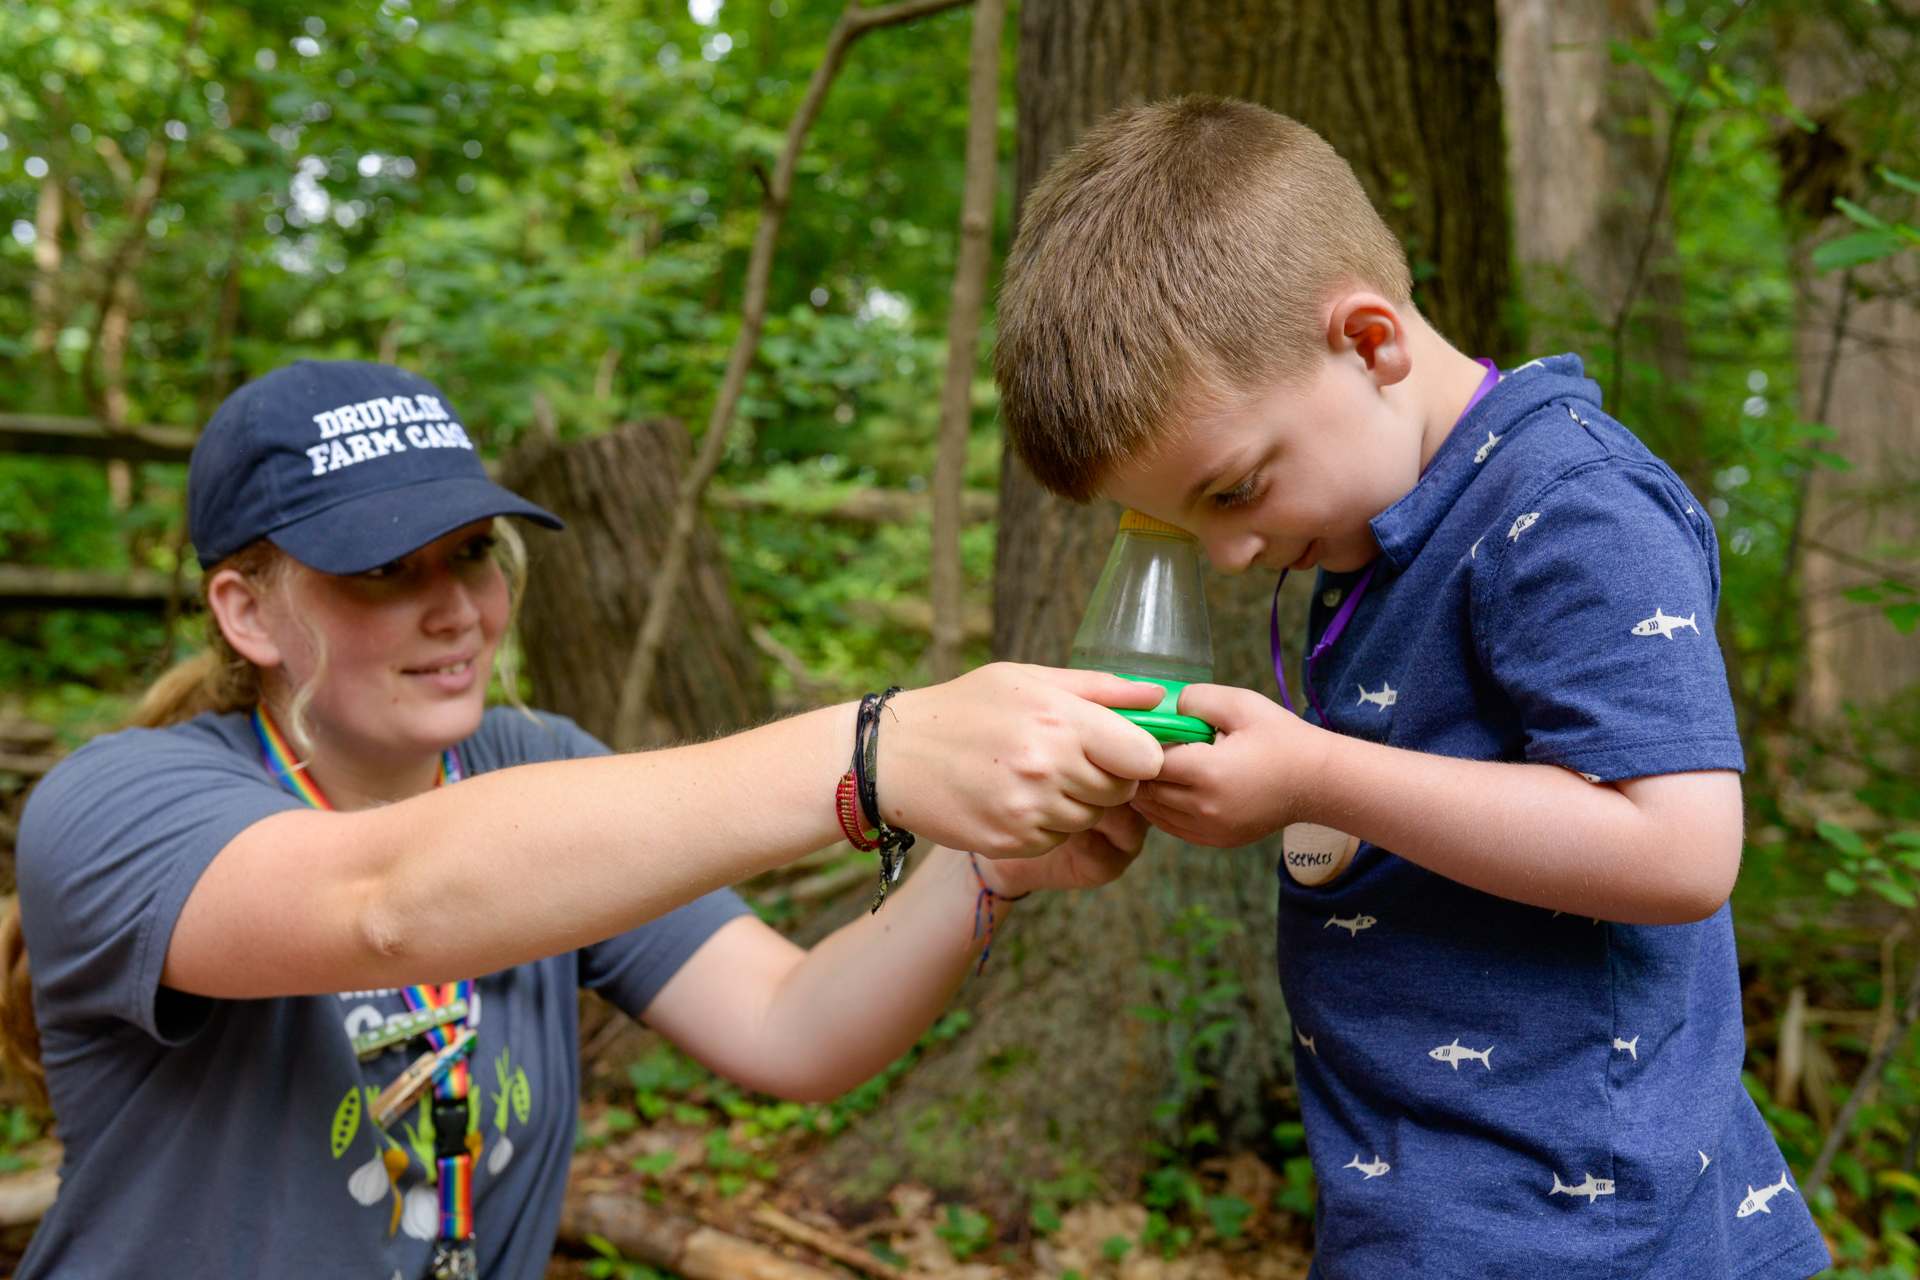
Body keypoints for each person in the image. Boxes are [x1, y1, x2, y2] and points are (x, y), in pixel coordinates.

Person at [1, 359, 1167, 1279]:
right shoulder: (117, 805)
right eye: (382, 571)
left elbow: (792, 1025)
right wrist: (874, 749)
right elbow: (386, 903)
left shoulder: (536, 763)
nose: (455, 609)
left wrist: (983, 865)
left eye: (471, 554)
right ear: (245, 609)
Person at [992, 97, 1829, 1280]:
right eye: (1181, 525)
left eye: (1233, 493)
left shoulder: (1566, 509)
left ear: (1371, 342)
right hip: (1433, 1211)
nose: (1229, 555)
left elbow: (1682, 850)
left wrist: (1316, 772)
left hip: (1588, 1233)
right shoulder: (1379, 535)